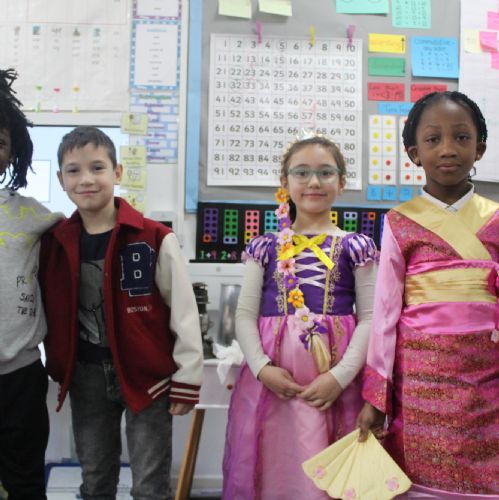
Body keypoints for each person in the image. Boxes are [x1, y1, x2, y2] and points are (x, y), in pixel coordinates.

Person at [39, 126, 203, 500]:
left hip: (147, 375)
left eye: (97, 168)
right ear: (61, 179)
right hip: (86, 377)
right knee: (95, 480)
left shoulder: (154, 236)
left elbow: (183, 311)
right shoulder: (55, 242)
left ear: (117, 172)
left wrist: (188, 377)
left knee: (150, 484)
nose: (86, 179)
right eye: (74, 170)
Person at [357, 91, 499, 497]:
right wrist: (376, 397)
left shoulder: (496, 219)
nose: (448, 149)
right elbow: (385, 314)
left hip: (488, 378)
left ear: (479, 149)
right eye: (434, 139)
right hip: (419, 380)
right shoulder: (399, 222)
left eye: (461, 137)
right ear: (414, 154)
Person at [222, 132, 379, 499]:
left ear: (341, 182)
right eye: (302, 172)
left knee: (329, 474)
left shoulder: (356, 247)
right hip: (273, 386)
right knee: (275, 469)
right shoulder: (264, 247)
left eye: (325, 172)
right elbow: (244, 315)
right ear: (285, 182)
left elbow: (371, 318)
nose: (313, 182)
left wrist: (340, 377)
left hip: (337, 386)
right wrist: (262, 368)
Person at [0, 68, 62, 499]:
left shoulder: (34, 215)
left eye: (1, 141)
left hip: (19, 375)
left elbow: (82, 230)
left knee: (23, 481)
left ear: (13, 153)